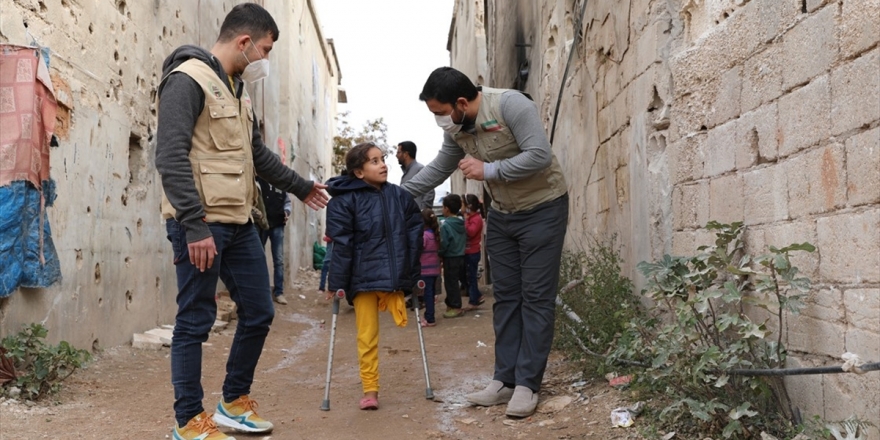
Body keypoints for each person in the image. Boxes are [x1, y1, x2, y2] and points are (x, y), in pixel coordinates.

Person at [155, 4, 329, 439]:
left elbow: (257, 155)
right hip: (201, 224)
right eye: (266, 50)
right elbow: (169, 156)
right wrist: (193, 224)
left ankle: (233, 403)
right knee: (195, 320)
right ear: (244, 42)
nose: (266, 60)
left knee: (259, 310)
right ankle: (189, 423)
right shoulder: (187, 80)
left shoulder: (237, 89)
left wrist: (300, 186)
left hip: (239, 220)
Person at [401, 66, 569, 418]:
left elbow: (538, 154)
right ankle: (504, 380)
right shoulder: (458, 130)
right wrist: (390, 195)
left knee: (536, 297)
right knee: (506, 296)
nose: (439, 121)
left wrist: (488, 170)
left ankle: (527, 384)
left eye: (440, 113)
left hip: (542, 210)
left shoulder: (510, 106)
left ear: (461, 102)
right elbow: (437, 170)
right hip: (504, 216)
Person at [325, 142, 422, 410]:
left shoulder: (400, 197)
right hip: (363, 277)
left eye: (383, 159)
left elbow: (414, 237)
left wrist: (413, 275)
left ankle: (371, 387)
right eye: (374, 161)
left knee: (399, 320)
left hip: (394, 276)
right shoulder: (343, 202)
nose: (383, 165)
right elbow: (341, 245)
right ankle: (370, 389)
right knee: (366, 335)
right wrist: (337, 283)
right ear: (358, 172)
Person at [256, 174, 292, 305]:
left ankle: (279, 293)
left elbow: (287, 202)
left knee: (279, 260)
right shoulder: (258, 181)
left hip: (278, 226)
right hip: (262, 226)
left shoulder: (281, 184)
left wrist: (287, 212)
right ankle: (261, 292)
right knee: (258, 258)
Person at [438, 194, 466, 318]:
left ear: (447, 209)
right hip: (461, 255)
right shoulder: (461, 222)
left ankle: (456, 306)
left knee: (450, 283)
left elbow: (444, 243)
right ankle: (452, 304)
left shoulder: (445, 225)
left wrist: (440, 253)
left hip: (450, 257)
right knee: (455, 281)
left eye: (443, 207)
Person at [419, 208, 441, 327]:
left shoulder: (424, 236)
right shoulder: (435, 235)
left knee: (427, 294)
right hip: (434, 270)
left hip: (425, 270)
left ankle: (430, 318)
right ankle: (430, 315)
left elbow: (419, 249)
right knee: (431, 293)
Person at [461, 194, 485, 311]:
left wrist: (465, 221)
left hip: (473, 252)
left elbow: (471, 232)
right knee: (467, 276)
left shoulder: (476, 219)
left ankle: (473, 301)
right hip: (468, 252)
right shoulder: (471, 218)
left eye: (463, 204)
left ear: (469, 206)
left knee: (471, 277)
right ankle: (477, 295)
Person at [396, 141, 435, 210]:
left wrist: (422, 211)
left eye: (398, 152)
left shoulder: (420, 169)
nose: (396, 155)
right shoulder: (406, 173)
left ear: (405, 154)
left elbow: (430, 192)